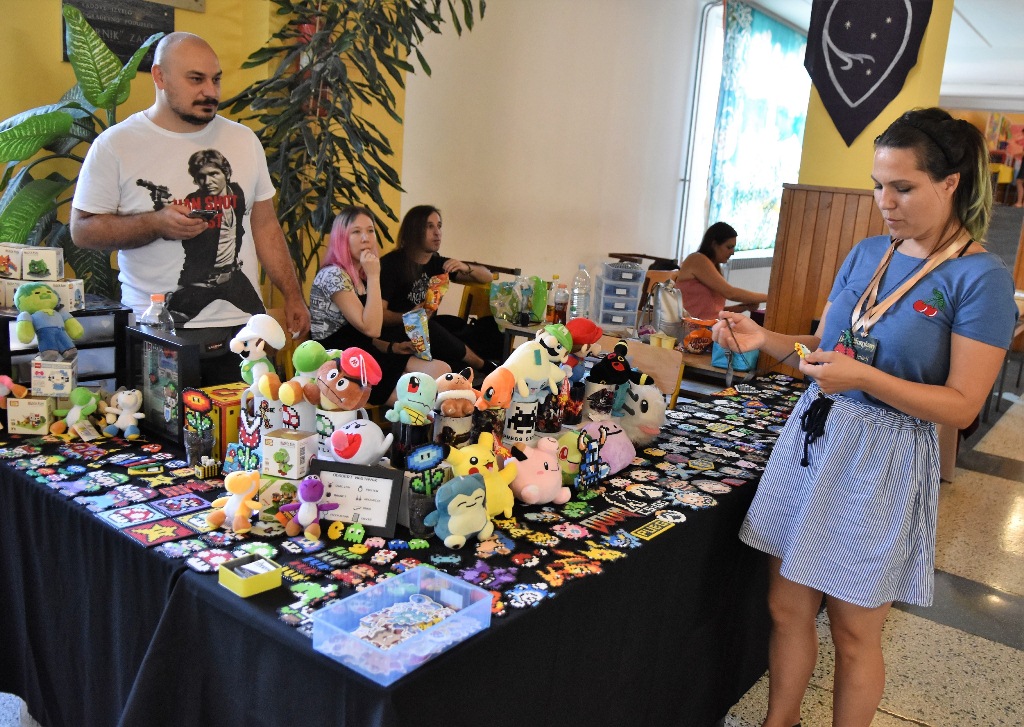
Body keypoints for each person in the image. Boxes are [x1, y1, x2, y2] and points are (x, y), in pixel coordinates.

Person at [711, 107, 1018, 727]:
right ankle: (780, 721)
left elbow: (962, 405)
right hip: (816, 437)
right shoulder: (868, 253)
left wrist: (867, 379)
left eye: (903, 187)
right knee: (787, 608)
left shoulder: (979, 278)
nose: (885, 202)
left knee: (854, 630)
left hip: (885, 460)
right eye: (878, 185)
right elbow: (822, 353)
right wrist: (764, 339)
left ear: (950, 183)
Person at [70, 32, 309, 386]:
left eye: (216, 79)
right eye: (196, 79)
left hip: (242, 330)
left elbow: (265, 226)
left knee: (245, 419)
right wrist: (156, 223)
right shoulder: (115, 145)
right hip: (158, 328)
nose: (210, 91)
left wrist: (293, 296)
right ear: (160, 77)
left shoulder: (244, 141)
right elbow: (82, 230)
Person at [309, 206, 449, 406]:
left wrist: (392, 347)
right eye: (356, 232)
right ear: (342, 238)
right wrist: (374, 275)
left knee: (441, 371)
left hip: (366, 353)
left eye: (370, 231)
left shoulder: (360, 275)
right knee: (423, 397)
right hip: (341, 366)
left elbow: (364, 334)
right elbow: (372, 328)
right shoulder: (333, 275)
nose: (365, 238)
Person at [378, 205, 496, 373]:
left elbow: (487, 277)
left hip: (426, 329)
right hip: (396, 332)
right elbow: (379, 316)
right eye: (429, 226)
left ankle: (471, 369)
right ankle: (484, 366)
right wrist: (408, 316)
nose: (437, 233)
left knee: (457, 324)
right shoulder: (391, 264)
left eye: (439, 226)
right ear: (414, 230)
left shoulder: (438, 263)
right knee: (432, 328)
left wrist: (465, 267)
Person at [673, 222, 768, 319]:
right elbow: (731, 293)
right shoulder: (697, 259)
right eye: (729, 247)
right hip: (689, 326)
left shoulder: (714, 267)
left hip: (706, 325)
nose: (732, 252)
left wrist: (744, 307)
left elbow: (715, 312)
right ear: (714, 244)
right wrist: (769, 297)